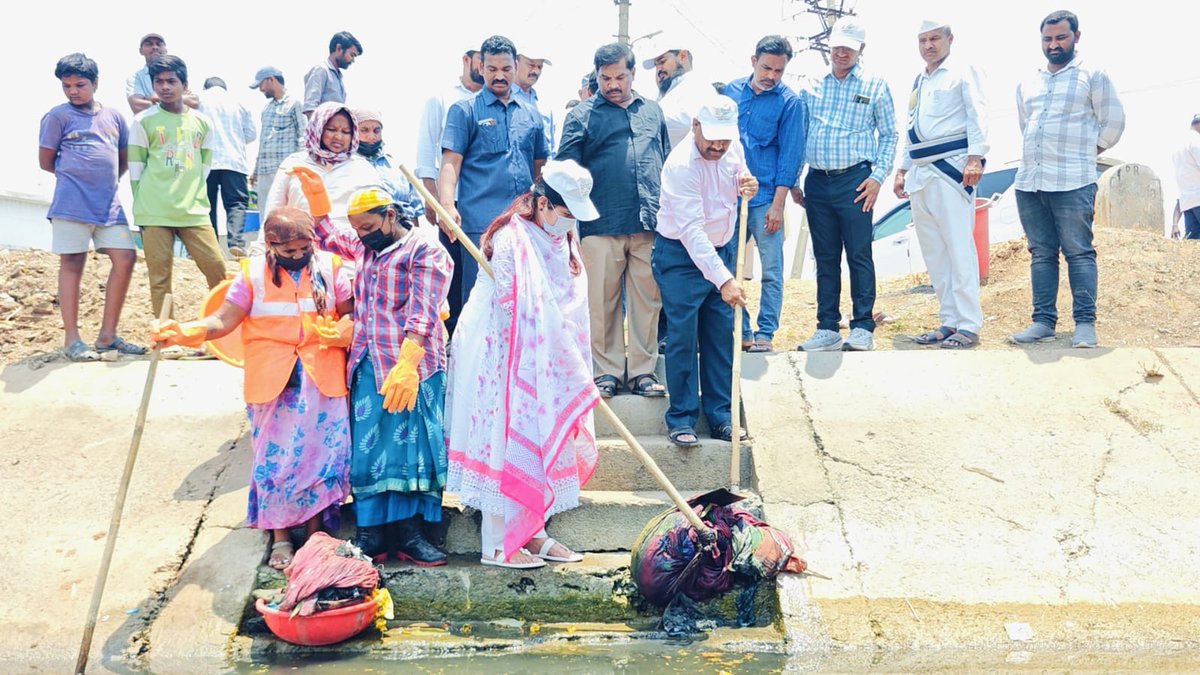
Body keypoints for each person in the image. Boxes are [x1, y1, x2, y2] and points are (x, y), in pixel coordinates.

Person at [148, 206, 353, 570]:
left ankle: (316, 533)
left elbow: (351, 312)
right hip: (272, 380)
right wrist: (186, 332)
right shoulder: (251, 275)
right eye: (288, 252)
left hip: (320, 377)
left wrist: (344, 330)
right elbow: (223, 319)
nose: (297, 257)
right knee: (274, 461)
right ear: (271, 246)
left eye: (303, 249)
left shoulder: (331, 268)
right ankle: (281, 536)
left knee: (320, 457)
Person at [291, 171, 453, 566]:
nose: (361, 235)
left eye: (368, 226)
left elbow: (424, 313)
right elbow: (330, 234)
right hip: (367, 362)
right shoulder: (365, 247)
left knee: (411, 448)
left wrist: (408, 362)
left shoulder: (425, 252)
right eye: (357, 229)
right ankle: (370, 533)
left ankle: (412, 534)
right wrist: (315, 199)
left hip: (412, 367)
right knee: (367, 448)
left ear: (391, 215)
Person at [446, 159, 600, 569]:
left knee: (541, 439)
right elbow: (514, 309)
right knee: (505, 441)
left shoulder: (562, 240)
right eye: (566, 214)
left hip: (547, 359)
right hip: (502, 356)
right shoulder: (509, 240)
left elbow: (569, 302)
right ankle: (497, 543)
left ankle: (534, 534)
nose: (570, 224)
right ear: (544, 203)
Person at [557, 42, 670, 399]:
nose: (613, 84)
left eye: (620, 76)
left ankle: (642, 372)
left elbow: (662, 160)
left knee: (647, 302)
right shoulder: (581, 116)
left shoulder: (653, 111)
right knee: (600, 302)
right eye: (605, 78)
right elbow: (564, 171)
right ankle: (605, 372)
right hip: (599, 224)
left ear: (633, 73)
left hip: (647, 223)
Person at [1008, 10, 1125, 349]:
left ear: (1076, 36)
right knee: (1041, 253)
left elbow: (1114, 123)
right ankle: (1042, 321)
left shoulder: (1093, 75)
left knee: (1078, 252)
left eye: (1061, 37)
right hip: (1030, 181)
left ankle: (1085, 325)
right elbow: (1025, 125)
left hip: (1074, 180)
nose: (1054, 44)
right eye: (1048, 39)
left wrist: (1085, 153)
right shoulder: (1028, 81)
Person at [654, 97, 757, 448]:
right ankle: (681, 417)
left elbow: (739, 176)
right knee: (683, 337)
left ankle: (721, 416)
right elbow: (692, 232)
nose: (717, 146)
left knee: (719, 336)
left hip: (723, 249)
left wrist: (747, 182)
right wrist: (725, 280)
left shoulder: (732, 147)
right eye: (712, 137)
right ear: (695, 125)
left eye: (724, 140)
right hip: (682, 256)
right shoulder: (680, 166)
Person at [795, 18, 897, 352]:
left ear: (860, 50)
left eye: (849, 49)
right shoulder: (811, 85)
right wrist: (795, 180)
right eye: (837, 46)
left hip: (856, 181)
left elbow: (890, 134)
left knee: (858, 253)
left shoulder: (875, 85)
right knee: (824, 257)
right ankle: (827, 326)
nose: (841, 53)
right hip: (818, 182)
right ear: (830, 45)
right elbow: (800, 133)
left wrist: (878, 177)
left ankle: (863, 325)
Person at [438, 35, 548, 335]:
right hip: (480, 225)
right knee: (479, 299)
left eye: (506, 68)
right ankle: (472, 372)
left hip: (524, 223)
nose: (499, 76)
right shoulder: (464, 110)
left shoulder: (532, 115)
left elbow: (540, 170)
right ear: (481, 67)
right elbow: (451, 163)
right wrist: (447, 206)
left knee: (523, 297)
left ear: (516, 67)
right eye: (491, 69)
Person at [38, 53, 145, 362]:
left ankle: (107, 336)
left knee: (125, 257)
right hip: (71, 204)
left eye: (80, 84)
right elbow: (46, 162)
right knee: (73, 263)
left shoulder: (113, 116)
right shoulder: (57, 117)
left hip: (109, 205)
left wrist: (104, 179)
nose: (73, 91)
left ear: (95, 83)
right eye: (67, 85)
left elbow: (122, 158)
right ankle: (72, 339)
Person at [893, 20, 988, 350]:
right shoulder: (920, 80)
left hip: (951, 170)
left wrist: (976, 158)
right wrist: (902, 169)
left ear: (950, 38)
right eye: (923, 40)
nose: (928, 45)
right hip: (920, 173)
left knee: (959, 250)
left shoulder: (963, 71)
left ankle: (969, 323)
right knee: (935, 254)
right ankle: (949, 320)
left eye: (935, 38)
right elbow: (912, 128)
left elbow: (978, 114)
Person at [722, 35, 806, 354]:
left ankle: (765, 332)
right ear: (753, 60)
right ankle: (741, 330)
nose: (772, 75)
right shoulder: (730, 92)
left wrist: (777, 205)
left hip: (767, 200)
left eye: (779, 71)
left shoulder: (790, 102)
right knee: (728, 267)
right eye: (767, 67)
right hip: (729, 199)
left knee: (771, 270)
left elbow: (791, 155)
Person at [128, 55, 227, 318]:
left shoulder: (202, 122)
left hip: (193, 210)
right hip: (154, 210)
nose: (165, 87)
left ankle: (218, 332)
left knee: (217, 268)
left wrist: (190, 193)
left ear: (184, 84)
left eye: (171, 81)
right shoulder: (143, 121)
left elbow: (204, 167)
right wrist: (142, 210)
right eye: (158, 82)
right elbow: (136, 170)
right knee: (160, 278)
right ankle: (167, 336)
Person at [255, 102, 379, 254]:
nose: (338, 137)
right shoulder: (294, 164)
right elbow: (273, 213)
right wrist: (259, 253)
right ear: (318, 128)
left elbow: (379, 218)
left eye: (346, 132)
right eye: (331, 129)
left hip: (350, 257)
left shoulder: (363, 168)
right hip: (299, 256)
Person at [414, 48, 483, 228]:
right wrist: (432, 197)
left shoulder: (496, 99)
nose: (486, 65)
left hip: (486, 200)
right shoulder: (442, 97)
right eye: (481, 59)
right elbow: (426, 148)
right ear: (466, 60)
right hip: (452, 202)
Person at [199, 77, 257, 257]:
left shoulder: (199, 99)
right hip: (234, 161)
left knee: (207, 204)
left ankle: (211, 245)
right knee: (236, 204)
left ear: (206, 87)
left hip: (206, 160)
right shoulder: (239, 102)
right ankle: (236, 243)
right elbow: (251, 135)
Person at [249, 66, 305, 214]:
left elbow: (303, 135)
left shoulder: (295, 103)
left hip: (285, 169)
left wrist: (302, 165)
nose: (260, 90)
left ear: (271, 80)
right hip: (264, 170)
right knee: (266, 215)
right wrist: (255, 171)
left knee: (285, 213)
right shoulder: (266, 109)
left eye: (261, 85)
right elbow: (262, 142)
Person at [126, 33, 197, 114]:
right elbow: (137, 106)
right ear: (141, 51)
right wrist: (175, 99)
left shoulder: (177, 70)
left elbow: (193, 102)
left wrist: (153, 99)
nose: (155, 47)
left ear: (165, 50)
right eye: (149, 44)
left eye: (159, 44)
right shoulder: (136, 77)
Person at [303, 32, 362, 117]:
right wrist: (318, 130)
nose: (353, 60)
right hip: (323, 129)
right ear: (339, 48)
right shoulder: (321, 70)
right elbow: (310, 108)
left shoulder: (338, 77)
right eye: (352, 55)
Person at [514, 45, 557, 156]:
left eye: (540, 67)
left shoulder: (544, 105)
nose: (536, 71)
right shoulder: (502, 100)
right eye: (531, 65)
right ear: (515, 64)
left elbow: (550, 147)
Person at [1171, 113, 1200, 240]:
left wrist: (1174, 223)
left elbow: (1182, 185)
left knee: (1194, 247)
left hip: (1188, 205)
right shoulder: (1196, 142)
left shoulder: (1178, 147)